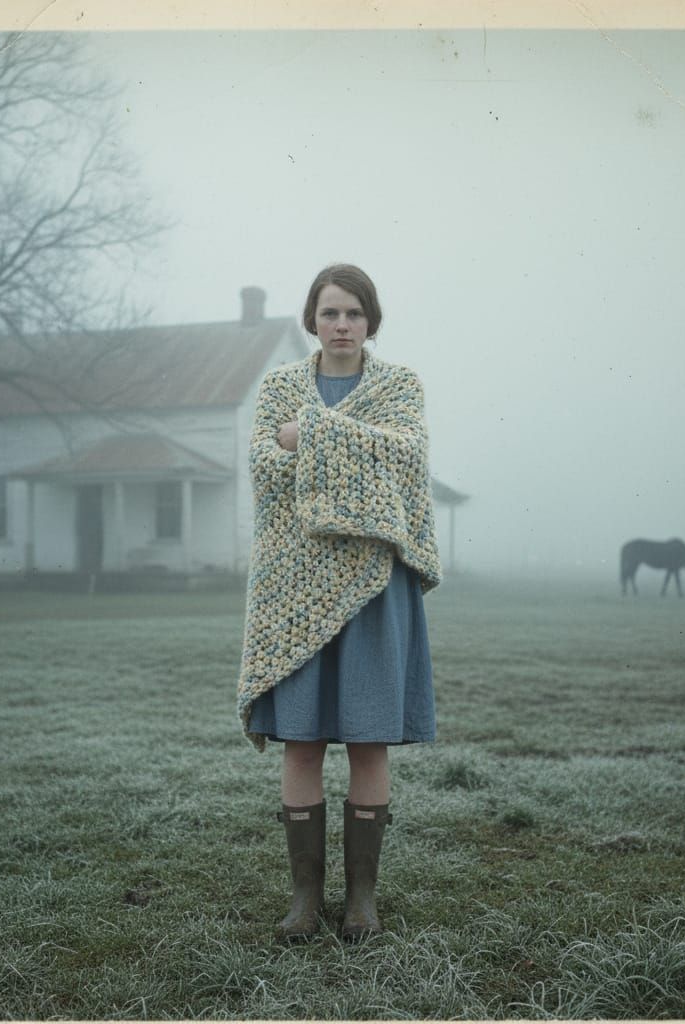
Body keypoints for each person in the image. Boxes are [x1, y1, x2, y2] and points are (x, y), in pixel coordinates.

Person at [236, 263, 443, 942]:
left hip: (376, 587)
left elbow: (406, 458)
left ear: (370, 320)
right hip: (295, 588)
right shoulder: (279, 387)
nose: (342, 325)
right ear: (312, 320)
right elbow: (266, 469)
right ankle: (304, 900)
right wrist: (351, 454)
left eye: (354, 313)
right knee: (300, 742)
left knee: (367, 741)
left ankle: (361, 901)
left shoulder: (400, 386)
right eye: (330, 313)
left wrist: (313, 437)